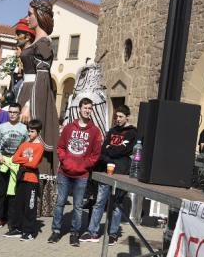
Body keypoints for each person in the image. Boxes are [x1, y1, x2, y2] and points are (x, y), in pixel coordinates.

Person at [49, 98, 102, 246]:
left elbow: (96, 154)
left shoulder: (95, 131)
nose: (87, 110)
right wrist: (65, 161)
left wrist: (84, 165)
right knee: (60, 203)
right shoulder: (69, 128)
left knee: (78, 206)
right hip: (64, 173)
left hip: (82, 175)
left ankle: (74, 234)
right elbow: (60, 147)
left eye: (90, 108)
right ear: (79, 109)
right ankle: (56, 231)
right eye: (85, 108)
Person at [82, 105, 138, 245]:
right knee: (99, 201)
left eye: (120, 117)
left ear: (127, 117)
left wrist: (110, 150)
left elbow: (124, 150)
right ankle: (92, 232)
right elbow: (103, 149)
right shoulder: (112, 131)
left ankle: (113, 233)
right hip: (106, 171)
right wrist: (110, 152)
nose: (117, 119)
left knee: (116, 204)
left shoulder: (132, 133)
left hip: (122, 172)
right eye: (116, 116)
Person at [18, 1, 60, 164]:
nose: (27, 18)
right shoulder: (36, 42)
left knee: (32, 138)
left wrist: (29, 105)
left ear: (40, 16)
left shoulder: (43, 44)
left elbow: (41, 80)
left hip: (35, 94)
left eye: (30, 14)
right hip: (26, 90)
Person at [0, 102, 27, 231]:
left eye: (15, 112)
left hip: (16, 164)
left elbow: (26, 146)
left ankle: (11, 220)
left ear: (19, 114)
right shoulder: (1, 127)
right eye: (11, 112)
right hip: (3, 163)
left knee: (13, 194)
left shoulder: (24, 129)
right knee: (0, 193)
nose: (12, 114)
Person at [11, 120, 45, 241]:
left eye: (32, 131)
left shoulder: (40, 146)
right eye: (28, 131)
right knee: (19, 204)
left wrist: (26, 160)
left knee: (30, 206)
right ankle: (17, 228)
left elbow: (34, 164)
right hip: (21, 177)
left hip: (32, 179)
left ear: (38, 132)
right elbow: (14, 159)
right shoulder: (24, 144)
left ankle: (29, 232)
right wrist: (28, 159)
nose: (29, 133)